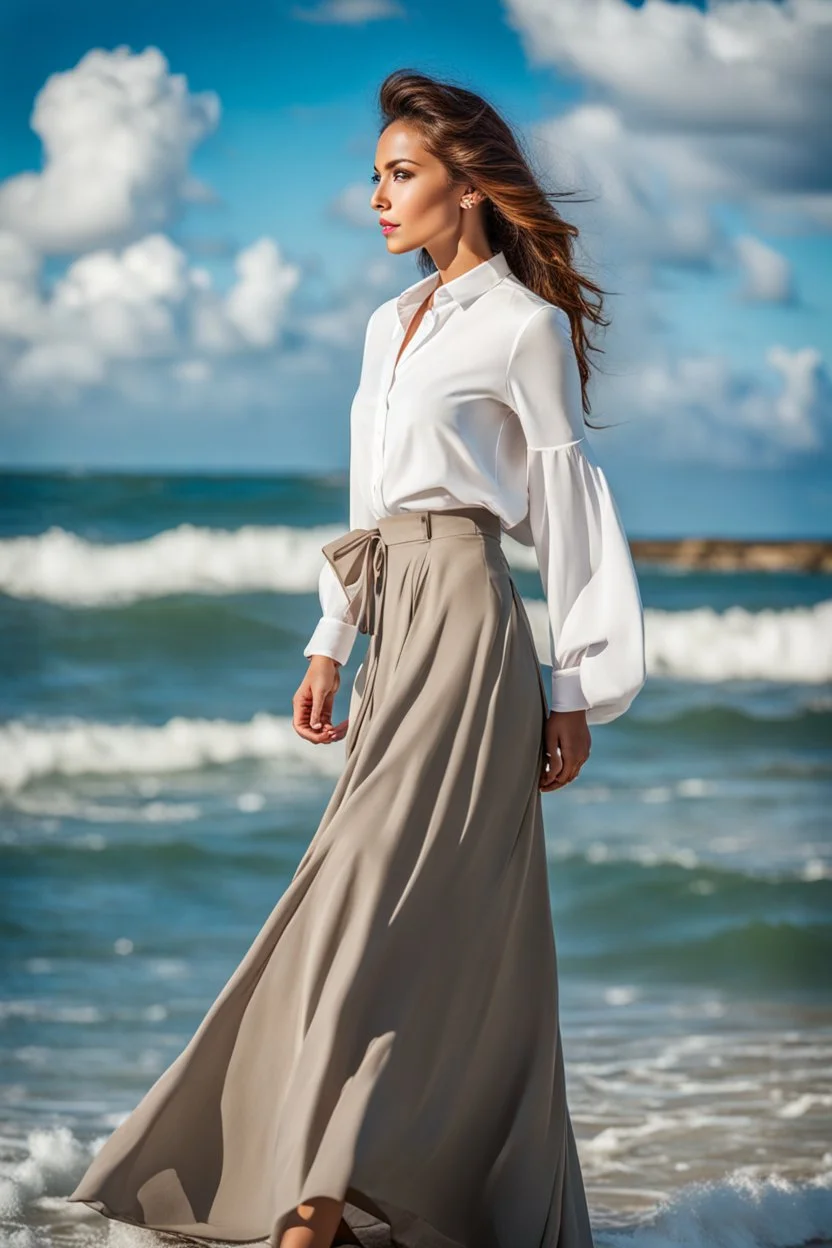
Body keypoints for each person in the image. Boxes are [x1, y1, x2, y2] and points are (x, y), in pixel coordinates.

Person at [66, 69, 646, 1248]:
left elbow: (567, 505)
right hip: (395, 623)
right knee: (364, 903)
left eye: (401, 174)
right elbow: (368, 503)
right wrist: (331, 638)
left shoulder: (522, 328)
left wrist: (575, 681)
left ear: (468, 187)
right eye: (374, 176)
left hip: (474, 630)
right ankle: (325, 1190)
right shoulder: (388, 323)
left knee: (372, 903)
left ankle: (313, 1208)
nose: (377, 198)